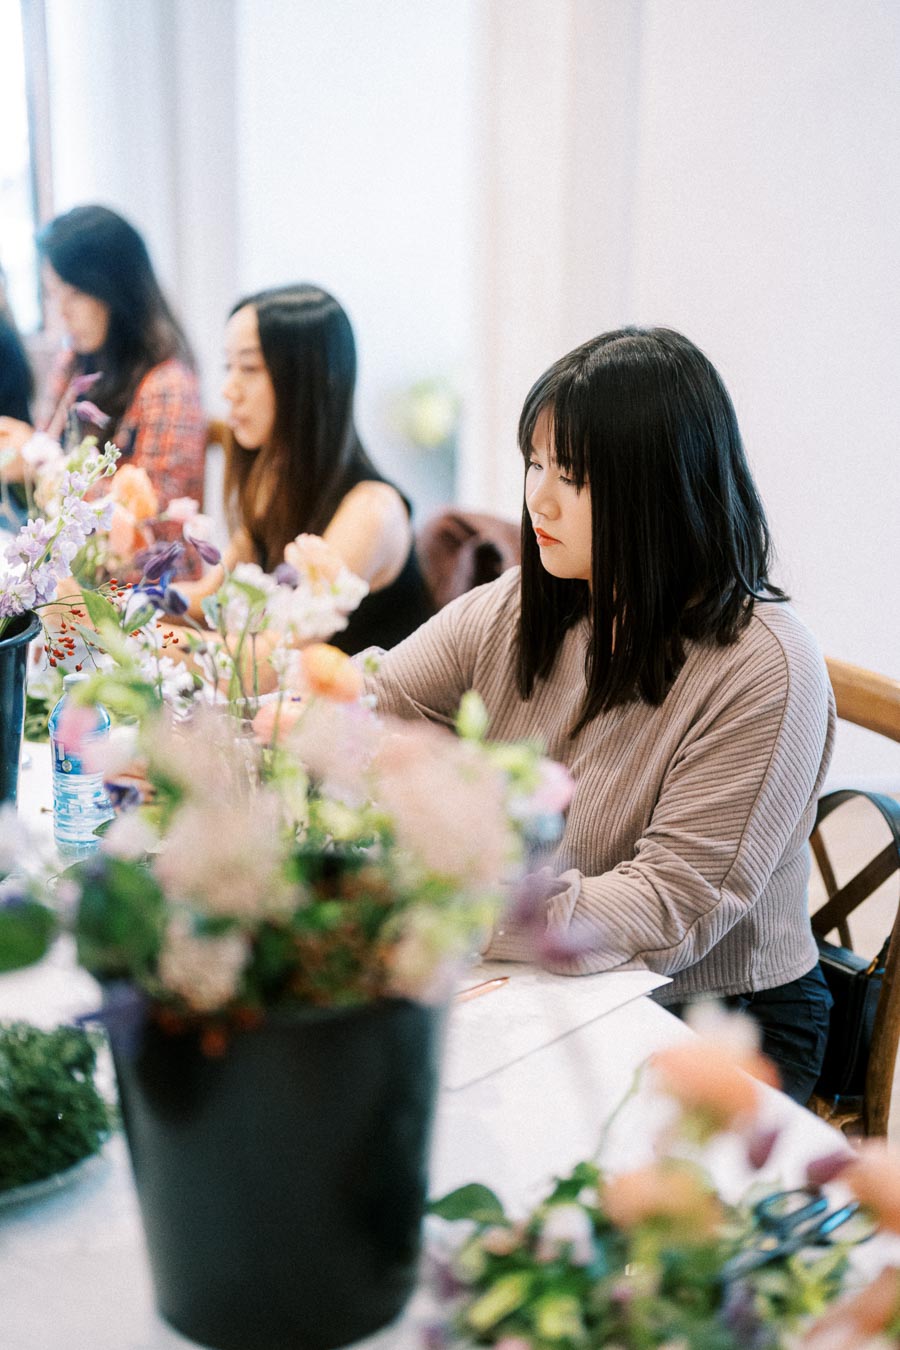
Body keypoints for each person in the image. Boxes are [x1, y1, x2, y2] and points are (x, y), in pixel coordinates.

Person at [363, 326, 835, 1105]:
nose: (537, 500)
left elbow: (666, 906)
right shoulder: (534, 600)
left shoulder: (764, 666)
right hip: (549, 973)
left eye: (573, 476)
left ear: (659, 488)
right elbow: (374, 699)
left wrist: (465, 911)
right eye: (535, 464)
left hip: (717, 1021)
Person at [180, 284, 433, 652]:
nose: (228, 390)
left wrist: (144, 636)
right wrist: (109, 605)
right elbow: (207, 600)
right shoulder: (275, 479)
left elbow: (273, 660)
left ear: (311, 379)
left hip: (368, 708)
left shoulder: (372, 511)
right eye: (229, 366)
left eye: (249, 367)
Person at [0, 205, 206, 558]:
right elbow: (48, 453)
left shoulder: (167, 385)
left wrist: (38, 468)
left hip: (139, 593)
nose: (62, 311)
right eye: (54, 293)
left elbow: (154, 526)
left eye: (75, 293)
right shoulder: (74, 364)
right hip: (72, 575)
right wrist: (26, 449)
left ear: (115, 288)